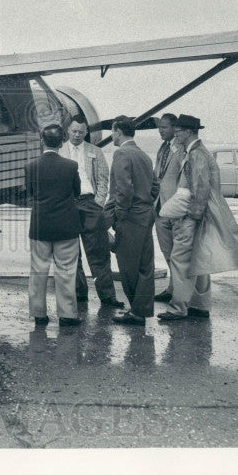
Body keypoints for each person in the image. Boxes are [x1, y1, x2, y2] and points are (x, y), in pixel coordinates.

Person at [158, 114, 238, 322]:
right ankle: (200, 305)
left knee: (180, 259)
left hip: (193, 216)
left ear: (188, 132)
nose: (175, 135)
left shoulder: (196, 155)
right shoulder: (198, 152)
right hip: (202, 214)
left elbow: (200, 188)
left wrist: (192, 217)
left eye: (178, 131)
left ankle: (178, 308)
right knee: (199, 260)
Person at [59, 116, 124, 308]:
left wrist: (98, 202)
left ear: (86, 132)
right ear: (67, 131)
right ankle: (79, 294)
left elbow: (103, 179)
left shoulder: (95, 151)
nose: (77, 135)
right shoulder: (60, 151)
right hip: (67, 205)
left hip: (90, 203)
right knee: (71, 252)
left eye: (81, 131)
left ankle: (107, 296)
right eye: (74, 131)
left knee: (99, 251)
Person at [25, 123, 83, 327]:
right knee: (66, 270)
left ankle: (39, 313)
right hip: (66, 226)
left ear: (42, 141)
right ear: (61, 142)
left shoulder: (31, 166)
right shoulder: (70, 166)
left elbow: (30, 193)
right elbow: (77, 193)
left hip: (40, 225)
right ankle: (67, 315)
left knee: (38, 269)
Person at [106, 116, 156, 326]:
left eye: (112, 131)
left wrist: (120, 215)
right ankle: (141, 310)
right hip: (145, 216)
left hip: (130, 219)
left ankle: (136, 312)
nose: (111, 135)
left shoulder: (121, 153)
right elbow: (155, 187)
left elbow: (123, 190)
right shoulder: (144, 155)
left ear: (118, 130)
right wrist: (145, 205)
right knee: (145, 267)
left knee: (128, 266)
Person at [151, 113, 183, 302]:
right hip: (160, 208)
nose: (160, 131)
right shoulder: (162, 149)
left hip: (176, 208)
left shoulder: (181, 150)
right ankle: (172, 288)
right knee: (167, 251)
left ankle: (179, 291)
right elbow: (157, 176)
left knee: (179, 253)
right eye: (159, 127)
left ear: (174, 128)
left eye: (164, 127)